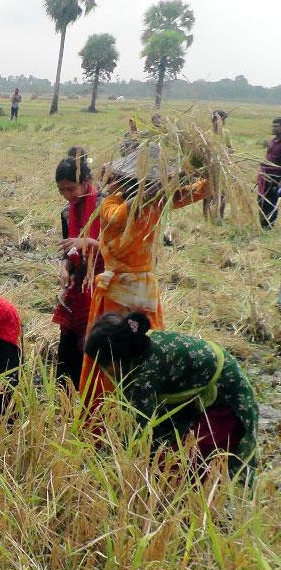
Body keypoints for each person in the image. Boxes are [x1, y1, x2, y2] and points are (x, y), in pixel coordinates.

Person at [78, 148, 209, 410]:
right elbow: (115, 218)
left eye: (150, 183)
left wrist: (207, 166)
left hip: (145, 294)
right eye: (140, 183)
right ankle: (100, 415)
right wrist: (141, 198)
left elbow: (197, 190)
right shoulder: (111, 203)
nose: (146, 187)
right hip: (116, 296)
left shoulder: (159, 201)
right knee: (110, 354)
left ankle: (146, 407)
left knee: (147, 352)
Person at [84, 312, 258, 484]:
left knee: (186, 462)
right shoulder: (137, 349)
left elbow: (141, 429)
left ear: (119, 357)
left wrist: (118, 467)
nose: (102, 370)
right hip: (193, 391)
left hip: (227, 395)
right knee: (169, 449)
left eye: (104, 364)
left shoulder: (147, 372)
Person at [52, 150, 103, 388]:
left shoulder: (107, 208)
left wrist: (89, 242)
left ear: (85, 183)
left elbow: (120, 249)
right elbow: (67, 249)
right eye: (61, 190)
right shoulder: (66, 212)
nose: (66, 195)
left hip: (103, 283)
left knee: (94, 340)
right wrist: (64, 268)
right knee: (69, 341)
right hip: (78, 281)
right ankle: (67, 390)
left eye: (70, 188)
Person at [257, 117, 281, 229]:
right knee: (261, 201)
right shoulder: (273, 141)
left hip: (275, 177)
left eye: (276, 126)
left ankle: (269, 226)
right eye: (273, 126)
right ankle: (263, 224)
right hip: (264, 176)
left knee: (271, 202)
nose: (273, 128)